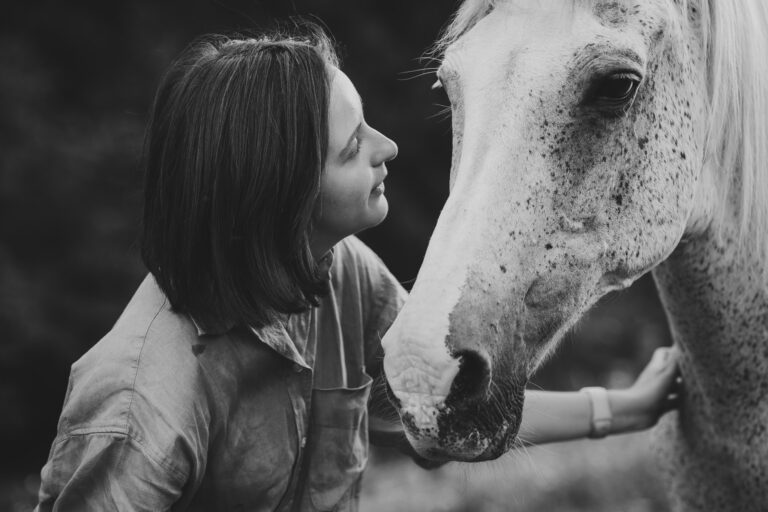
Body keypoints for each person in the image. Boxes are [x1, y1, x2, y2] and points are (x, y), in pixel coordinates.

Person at [35, 24, 680, 512]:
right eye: (353, 148)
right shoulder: (136, 408)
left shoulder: (340, 275)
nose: (388, 148)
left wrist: (624, 408)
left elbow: (446, 399)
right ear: (281, 193)